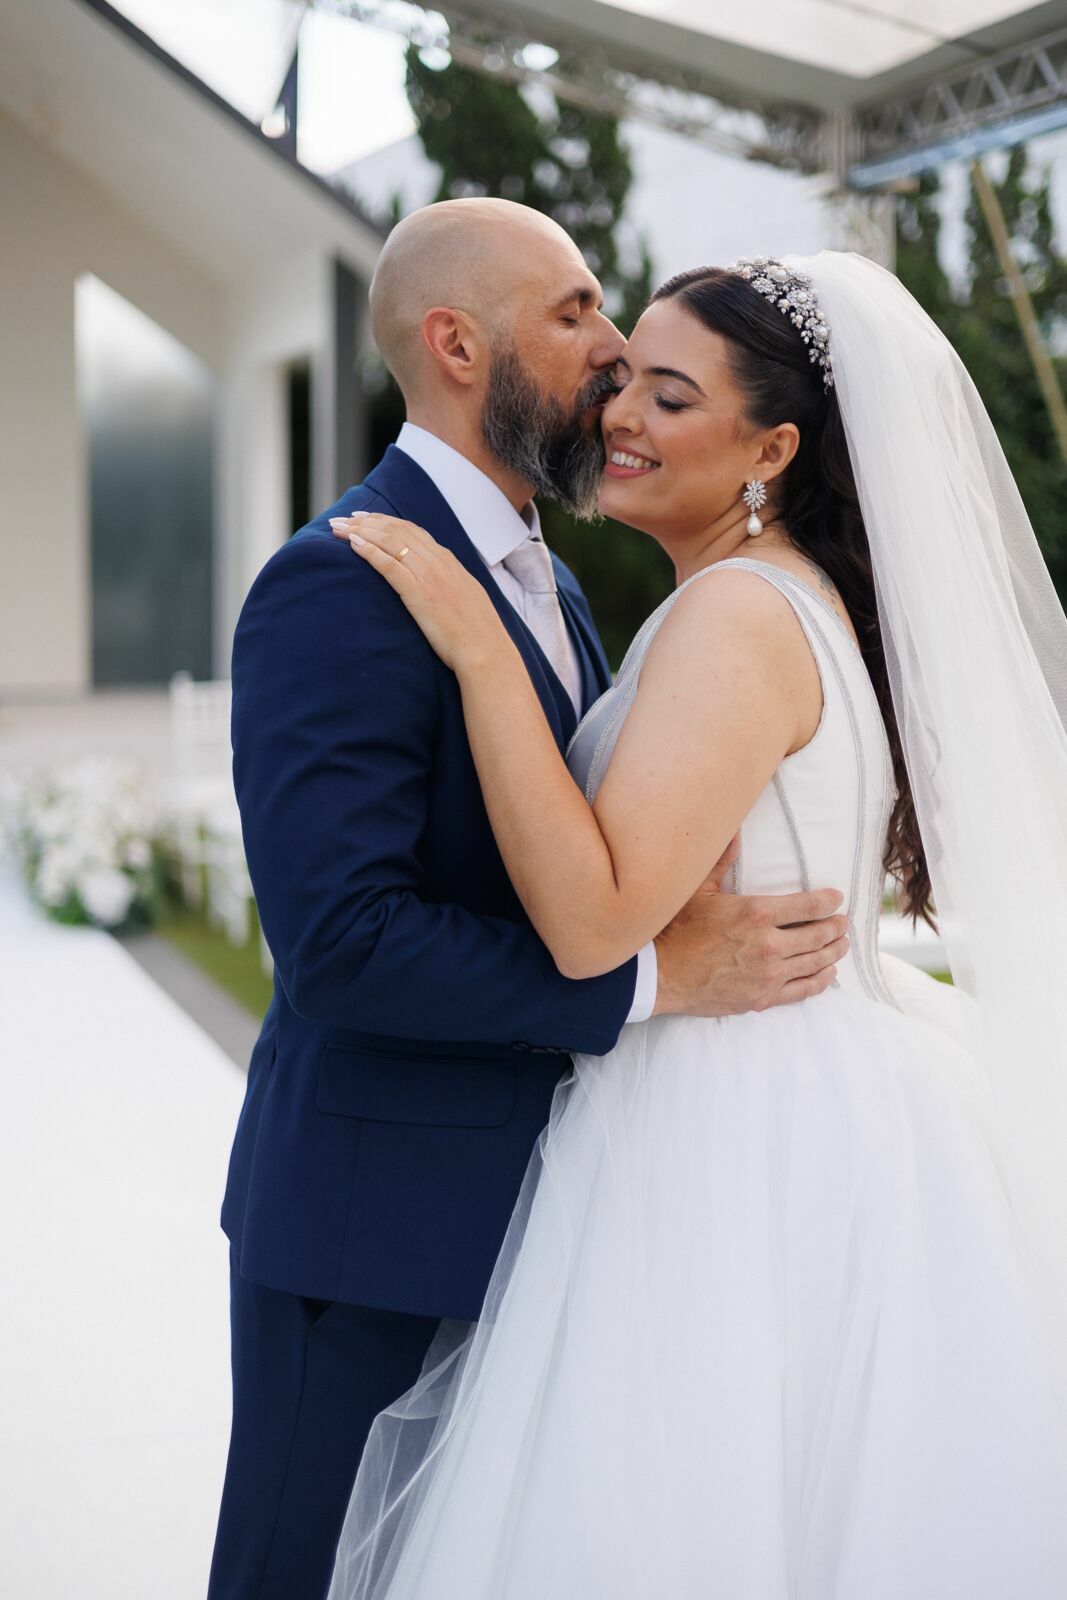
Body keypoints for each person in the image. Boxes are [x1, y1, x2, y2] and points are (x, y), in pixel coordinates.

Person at [325, 252, 1067, 1598]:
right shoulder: (767, 598)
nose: (619, 416)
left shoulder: (737, 614)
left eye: (670, 398)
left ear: (771, 450)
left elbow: (594, 925)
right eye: (623, 381)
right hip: (799, 1085)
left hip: (735, 1124)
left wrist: (481, 654)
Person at [208, 206, 848, 1600]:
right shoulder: (341, 582)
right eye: (574, 313)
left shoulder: (550, 580)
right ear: (458, 345)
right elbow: (341, 946)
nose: (614, 348)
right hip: (372, 1233)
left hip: (556, 1229)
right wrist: (652, 980)